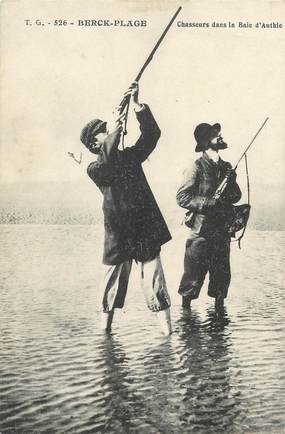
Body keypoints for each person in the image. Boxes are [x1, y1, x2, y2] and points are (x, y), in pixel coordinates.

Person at [79, 82, 172, 334]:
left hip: (144, 232)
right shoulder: (95, 169)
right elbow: (107, 164)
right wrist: (114, 128)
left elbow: (152, 135)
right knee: (109, 289)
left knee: (156, 286)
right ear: (95, 144)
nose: (108, 130)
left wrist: (137, 105)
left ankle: (168, 336)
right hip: (119, 236)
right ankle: (105, 338)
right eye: (102, 131)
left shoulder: (130, 157)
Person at [176, 122, 242, 310]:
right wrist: (207, 202)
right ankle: (186, 323)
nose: (220, 136)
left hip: (222, 233)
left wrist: (232, 181)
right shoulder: (196, 167)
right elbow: (182, 197)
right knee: (191, 281)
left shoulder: (226, 166)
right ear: (206, 141)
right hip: (201, 233)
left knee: (221, 282)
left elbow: (236, 197)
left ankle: (218, 326)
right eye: (215, 134)